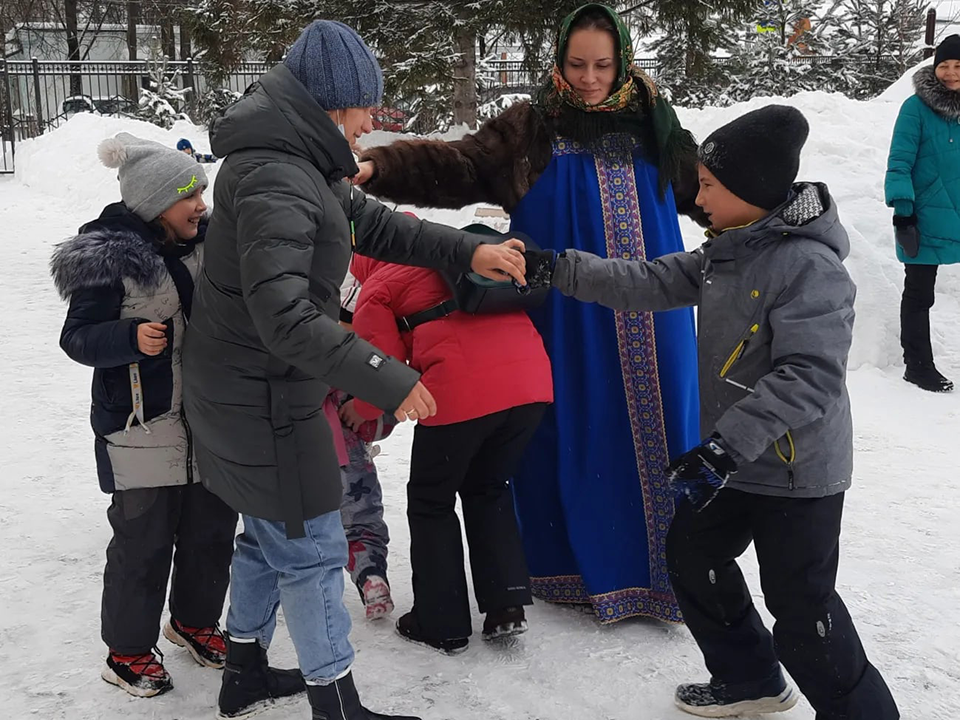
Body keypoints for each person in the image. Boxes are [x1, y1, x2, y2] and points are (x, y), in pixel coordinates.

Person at [181, 20, 528, 720]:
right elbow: (285, 319)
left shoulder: (298, 160)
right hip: (259, 396)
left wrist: (465, 252)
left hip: (252, 386)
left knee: (265, 536)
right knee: (310, 547)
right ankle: (337, 707)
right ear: (329, 102)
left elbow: (375, 224)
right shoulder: (277, 177)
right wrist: (392, 379)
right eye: (365, 105)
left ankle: (243, 670)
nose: (373, 120)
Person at [526, 104, 899, 719]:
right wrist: (556, 267)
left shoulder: (811, 268)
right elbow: (643, 280)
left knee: (802, 607)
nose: (696, 198)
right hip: (728, 459)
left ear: (751, 192)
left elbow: (811, 375)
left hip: (794, 468)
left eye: (707, 186)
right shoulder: (730, 251)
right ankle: (750, 679)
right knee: (693, 557)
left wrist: (725, 447)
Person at [354, 2, 701, 625]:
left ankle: (664, 576)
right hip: (563, 314)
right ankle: (567, 568)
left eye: (602, 64)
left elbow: (710, 193)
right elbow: (458, 166)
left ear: (622, 59)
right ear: (558, 61)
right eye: (576, 64)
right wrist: (382, 166)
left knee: (664, 431)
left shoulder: (657, 124)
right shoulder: (530, 128)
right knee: (567, 429)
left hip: (655, 315)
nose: (589, 78)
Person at [50, 133, 238, 698]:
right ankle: (127, 652)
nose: (201, 205)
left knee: (211, 531)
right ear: (156, 204)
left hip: (206, 418)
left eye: (202, 192)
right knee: (144, 541)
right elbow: (77, 337)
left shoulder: (210, 245)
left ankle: (193, 622)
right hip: (139, 425)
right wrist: (130, 336)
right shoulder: (106, 259)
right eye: (189, 196)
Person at [347, 239, 553, 655]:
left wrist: (361, 408)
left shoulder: (379, 285)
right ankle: (506, 604)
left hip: (462, 394)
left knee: (430, 501)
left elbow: (380, 366)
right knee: (488, 487)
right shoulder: (458, 250)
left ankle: (441, 622)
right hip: (531, 384)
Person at [885, 34, 960, 393]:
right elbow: (899, 162)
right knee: (919, 293)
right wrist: (903, 212)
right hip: (927, 214)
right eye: (944, 65)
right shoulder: (915, 109)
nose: (950, 72)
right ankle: (917, 366)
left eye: (958, 66)